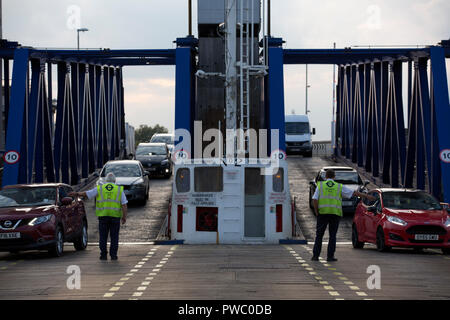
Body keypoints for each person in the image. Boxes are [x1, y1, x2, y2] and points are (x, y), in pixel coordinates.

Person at [311, 169, 374, 262]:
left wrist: (316, 211)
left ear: (326, 177)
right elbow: (354, 193)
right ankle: (330, 256)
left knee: (319, 235)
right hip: (335, 214)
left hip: (323, 213)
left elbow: (315, 199)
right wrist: (368, 196)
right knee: (332, 236)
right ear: (334, 177)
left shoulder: (320, 186)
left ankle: (315, 256)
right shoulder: (339, 186)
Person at [69, 173, 128, 261]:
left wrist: (77, 193)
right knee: (114, 237)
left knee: (103, 237)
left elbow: (87, 194)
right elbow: (124, 204)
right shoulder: (119, 189)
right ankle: (113, 255)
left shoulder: (100, 188)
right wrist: (124, 217)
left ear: (106, 181)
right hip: (115, 217)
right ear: (115, 181)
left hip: (103, 216)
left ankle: (103, 255)